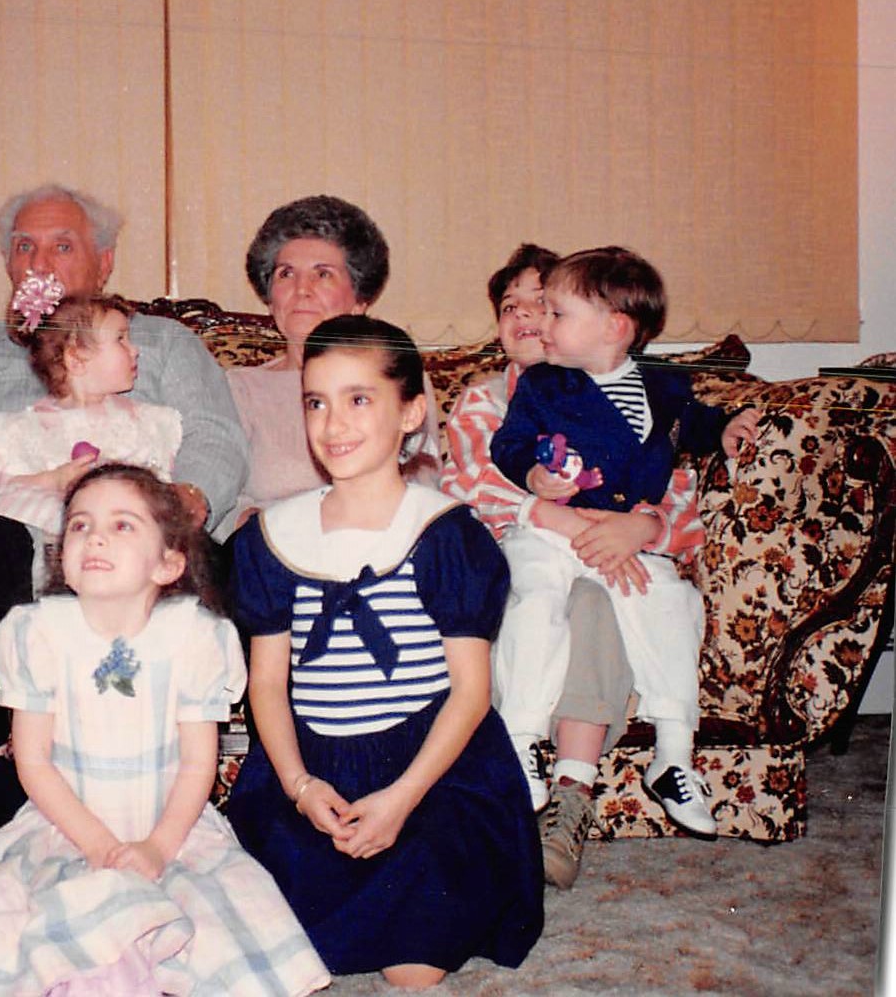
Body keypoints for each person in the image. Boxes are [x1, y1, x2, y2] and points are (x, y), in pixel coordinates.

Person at [0, 464, 329, 996]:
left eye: (122, 525)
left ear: (169, 562)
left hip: (171, 825)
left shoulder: (194, 637)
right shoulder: (38, 633)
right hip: (67, 824)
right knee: (6, 922)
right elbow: (33, 761)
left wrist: (157, 848)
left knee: (220, 923)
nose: (95, 537)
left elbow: (199, 763)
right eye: (80, 525)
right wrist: (98, 844)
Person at [0, 183, 247, 829]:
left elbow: (216, 436)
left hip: (137, 531)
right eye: (24, 248)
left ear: (105, 262)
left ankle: (159, 777)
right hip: (9, 546)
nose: (38, 263)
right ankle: (7, 784)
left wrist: (186, 501)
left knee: (188, 554)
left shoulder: (161, 344)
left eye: (62, 246)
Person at [227, 315, 543, 989]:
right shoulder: (274, 538)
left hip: (429, 772)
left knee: (413, 966)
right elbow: (267, 684)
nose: (333, 424)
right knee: (266, 934)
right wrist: (300, 787)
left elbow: (471, 693)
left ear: (411, 412)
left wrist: (400, 800)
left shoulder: (442, 533)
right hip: (313, 769)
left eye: (359, 399)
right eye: (316, 402)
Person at [441, 243, 707, 887]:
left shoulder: (641, 392)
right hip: (531, 557)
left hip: (614, 557)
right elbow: (470, 486)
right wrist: (564, 518)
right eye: (511, 307)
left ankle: (598, 781)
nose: (528, 318)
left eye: (544, 305)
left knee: (624, 596)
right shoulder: (489, 400)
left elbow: (679, 495)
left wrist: (643, 526)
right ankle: (535, 760)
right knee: (549, 597)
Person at [489, 246, 760, 841]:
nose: (541, 322)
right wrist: (533, 475)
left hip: (626, 540)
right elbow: (508, 445)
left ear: (614, 328)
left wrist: (727, 427)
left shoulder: (665, 387)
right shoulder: (542, 384)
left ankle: (673, 754)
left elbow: (698, 424)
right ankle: (520, 736)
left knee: (671, 602)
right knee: (535, 600)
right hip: (552, 531)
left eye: (557, 312)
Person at [223, 195, 440, 538]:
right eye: (286, 273)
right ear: (270, 298)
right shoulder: (239, 387)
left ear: (360, 299)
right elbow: (221, 501)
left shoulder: (394, 372)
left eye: (322, 274)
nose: (301, 289)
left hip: (380, 541)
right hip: (275, 546)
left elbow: (422, 483)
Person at [0, 283, 181, 586]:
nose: (135, 350)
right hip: (41, 553)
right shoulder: (22, 431)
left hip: (123, 552)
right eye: (121, 339)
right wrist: (54, 480)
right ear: (76, 359)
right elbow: (7, 492)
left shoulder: (146, 423)